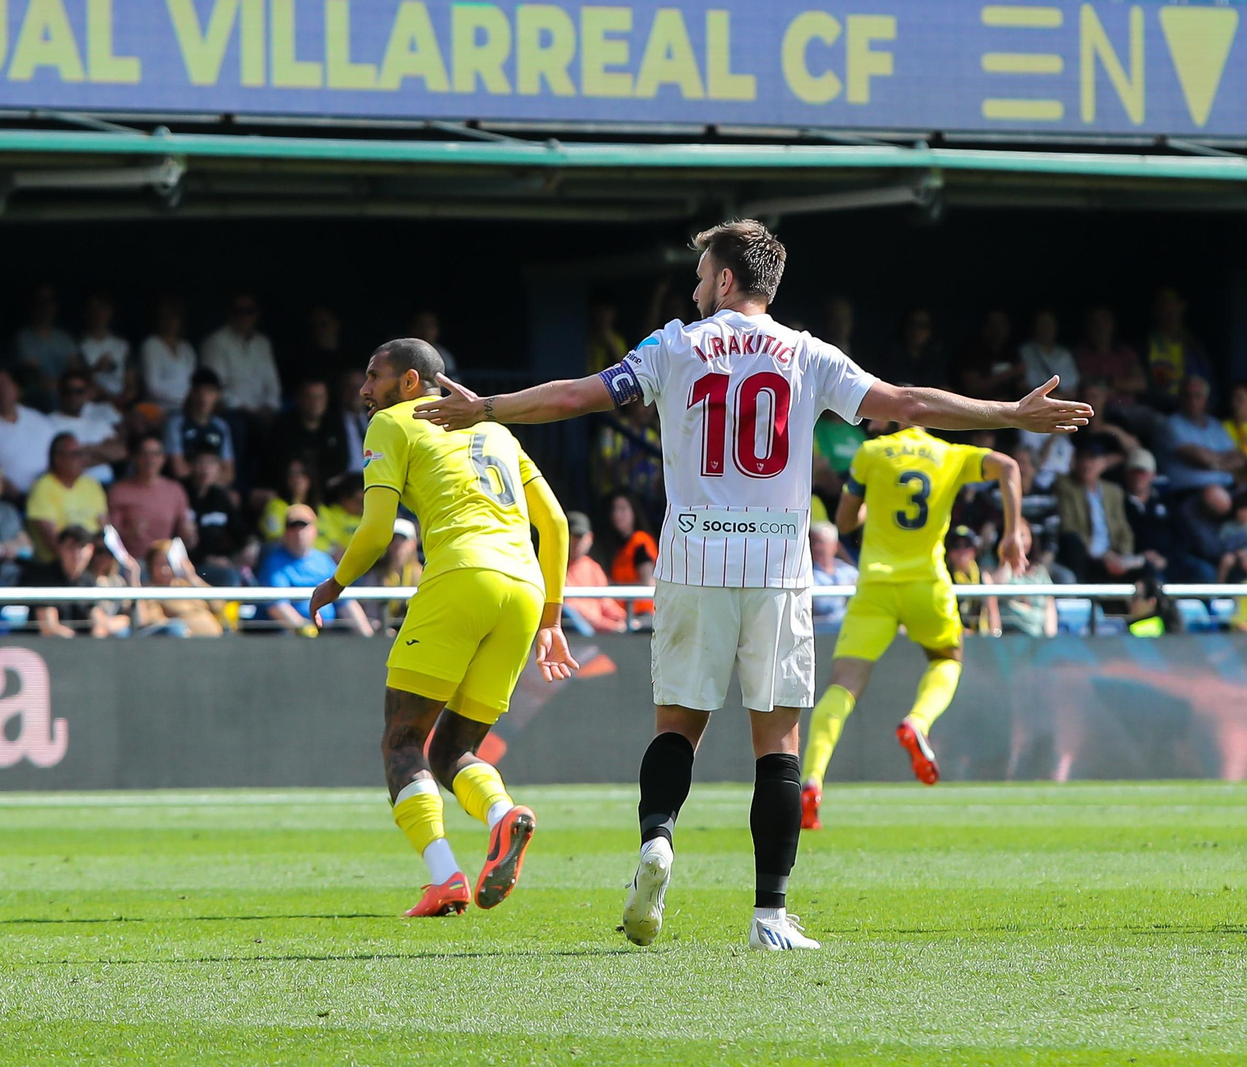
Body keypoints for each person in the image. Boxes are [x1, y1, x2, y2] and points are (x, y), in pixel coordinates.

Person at [411, 217, 1091, 951]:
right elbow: (910, 405)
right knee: (779, 743)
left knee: (678, 727)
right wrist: (1011, 414)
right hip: (776, 566)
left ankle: (658, 843)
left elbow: (580, 394)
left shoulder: (673, 344)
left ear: (727, 278)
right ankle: (770, 914)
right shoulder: (806, 353)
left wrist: (488, 408)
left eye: (703, 274)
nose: (696, 287)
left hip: (693, 559)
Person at [307, 338, 577, 919]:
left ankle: (445, 877)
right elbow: (554, 524)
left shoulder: (392, 424)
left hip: (460, 576)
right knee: (456, 747)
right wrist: (552, 617)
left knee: (403, 740)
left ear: (409, 383)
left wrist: (335, 584)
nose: (363, 389)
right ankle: (504, 816)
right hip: (524, 590)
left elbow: (378, 531)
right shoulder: (499, 432)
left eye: (373, 376)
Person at [802, 419, 1027, 825]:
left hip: (876, 585)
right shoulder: (951, 454)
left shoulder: (871, 454)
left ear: (892, 417)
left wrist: (873, 506)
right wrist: (1011, 534)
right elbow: (1009, 467)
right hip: (927, 583)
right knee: (946, 659)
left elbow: (845, 521)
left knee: (843, 685)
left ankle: (812, 780)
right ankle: (917, 721)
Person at [259, 504, 372, 636]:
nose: (299, 532)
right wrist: (307, 631)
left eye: (304, 526)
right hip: (293, 635)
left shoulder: (325, 560)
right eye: (293, 527)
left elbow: (345, 601)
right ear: (285, 532)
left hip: (330, 632)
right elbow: (277, 607)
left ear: (315, 531)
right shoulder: (274, 563)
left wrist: (368, 635)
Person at [1055, 439, 1137, 583]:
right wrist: (1102, 555)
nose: (1086, 464)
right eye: (1082, 459)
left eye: (1092, 459)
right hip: (1087, 554)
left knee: (1147, 567)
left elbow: (1124, 529)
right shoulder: (1065, 486)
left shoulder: (1113, 491)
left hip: (1113, 555)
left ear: (1103, 463)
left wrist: (1123, 555)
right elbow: (1068, 527)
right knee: (1071, 541)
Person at [28, 524, 128, 638]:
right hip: (48, 650)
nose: (77, 553)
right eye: (71, 547)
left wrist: (94, 640)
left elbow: (98, 620)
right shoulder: (44, 578)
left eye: (81, 547)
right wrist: (80, 644)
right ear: (59, 548)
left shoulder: (89, 581)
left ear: (90, 550)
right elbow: (49, 628)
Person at [108, 435, 195, 561]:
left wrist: (189, 535)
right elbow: (111, 535)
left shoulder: (175, 490)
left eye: (155, 454)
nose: (150, 459)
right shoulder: (120, 491)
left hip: (165, 560)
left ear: (163, 458)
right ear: (136, 458)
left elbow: (187, 533)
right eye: (145, 454)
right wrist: (130, 533)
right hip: (130, 559)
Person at [26, 433, 108, 562]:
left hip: (94, 558)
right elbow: (52, 542)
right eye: (75, 455)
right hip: (59, 565)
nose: (82, 459)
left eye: (82, 454)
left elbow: (106, 529)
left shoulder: (92, 484)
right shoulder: (42, 488)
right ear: (58, 459)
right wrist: (83, 555)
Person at [0, 369, 56, 494]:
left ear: (17, 389)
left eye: (6, 386)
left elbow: (58, 453)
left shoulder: (37, 419)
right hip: (5, 498)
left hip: (46, 493)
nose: (2, 392)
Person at [1161, 375, 1246, 494]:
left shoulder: (1215, 424)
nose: (1192, 401)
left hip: (1226, 488)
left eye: (1198, 396)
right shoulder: (1172, 424)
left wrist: (1214, 465)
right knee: (1215, 495)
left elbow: (1239, 458)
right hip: (1191, 492)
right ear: (1180, 398)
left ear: (1206, 399)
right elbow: (1201, 459)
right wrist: (1223, 460)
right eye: (1187, 396)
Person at [201, 293, 282, 417]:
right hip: (232, 412)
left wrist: (269, 406)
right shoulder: (215, 342)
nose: (243, 317)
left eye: (249, 311)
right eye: (238, 311)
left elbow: (273, 384)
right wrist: (242, 408)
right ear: (229, 314)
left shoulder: (263, 343)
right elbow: (214, 387)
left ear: (257, 314)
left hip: (263, 413)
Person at [184, 446, 247, 586]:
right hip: (186, 564)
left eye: (211, 463)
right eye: (201, 462)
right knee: (229, 577)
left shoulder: (221, 497)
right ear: (191, 466)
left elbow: (239, 531)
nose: (205, 468)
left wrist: (250, 543)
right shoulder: (180, 492)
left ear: (219, 468)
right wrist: (205, 559)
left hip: (216, 562)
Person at [266, 378, 347, 486]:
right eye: (310, 397)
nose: (315, 403)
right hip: (291, 488)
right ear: (298, 399)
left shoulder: (335, 425)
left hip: (329, 489)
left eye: (320, 397)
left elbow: (341, 462)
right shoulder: (283, 427)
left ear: (327, 399)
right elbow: (278, 465)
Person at [49, 369, 125, 484]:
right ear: (60, 393)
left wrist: (87, 449)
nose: (73, 396)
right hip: (72, 486)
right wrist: (102, 450)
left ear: (86, 394)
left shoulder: (98, 421)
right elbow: (60, 463)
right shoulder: (49, 422)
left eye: (79, 391)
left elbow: (121, 452)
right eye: (68, 391)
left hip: (106, 483)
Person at [138, 540, 224, 637]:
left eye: (168, 564)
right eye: (159, 564)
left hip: (216, 640)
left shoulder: (186, 584)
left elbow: (218, 606)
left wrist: (193, 578)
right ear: (150, 566)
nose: (164, 570)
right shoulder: (150, 591)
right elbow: (156, 621)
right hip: (187, 644)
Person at [163, 368, 236, 484]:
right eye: (199, 391)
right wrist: (207, 475)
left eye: (210, 391)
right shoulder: (176, 423)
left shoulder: (221, 426)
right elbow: (179, 471)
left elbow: (229, 474)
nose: (204, 397)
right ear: (192, 393)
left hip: (212, 486)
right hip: (183, 485)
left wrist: (206, 478)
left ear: (217, 395)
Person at [12, 283, 77, 408]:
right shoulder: (24, 337)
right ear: (33, 305)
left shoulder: (65, 338)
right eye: (41, 301)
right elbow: (34, 376)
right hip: (38, 397)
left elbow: (75, 371)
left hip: (66, 393)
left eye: (49, 301)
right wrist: (64, 387)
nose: (45, 306)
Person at [565, 509, 629, 634]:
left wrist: (625, 620)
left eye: (579, 536)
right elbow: (572, 610)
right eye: (571, 536)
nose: (575, 541)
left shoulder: (593, 568)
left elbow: (606, 604)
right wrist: (611, 626)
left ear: (590, 538)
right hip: (577, 637)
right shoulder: (555, 567)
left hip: (602, 636)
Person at [1144, 287, 1208, 406]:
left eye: (1173, 304)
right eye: (1164, 304)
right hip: (1157, 408)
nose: (1169, 309)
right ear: (1156, 310)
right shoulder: (1146, 344)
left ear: (1181, 308)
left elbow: (1205, 385)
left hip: (1189, 408)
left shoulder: (1193, 346)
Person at [1074, 306, 1147, 404]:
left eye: (1104, 322)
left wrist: (1111, 382)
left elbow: (1141, 383)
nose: (1101, 327)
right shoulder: (1080, 355)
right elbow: (1081, 386)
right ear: (1088, 327)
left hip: (1129, 411)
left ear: (1113, 325)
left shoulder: (1126, 353)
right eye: (1096, 323)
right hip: (1095, 411)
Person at [603, 490, 658, 620]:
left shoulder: (640, 542)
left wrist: (613, 588)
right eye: (614, 510)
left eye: (622, 509)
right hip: (624, 616)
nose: (617, 514)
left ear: (634, 512)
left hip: (643, 616)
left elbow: (648, 584)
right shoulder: (620, 546)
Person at [362, 516, 422, 631]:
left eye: (403, 539)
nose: (397, 544)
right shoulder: (375, 574)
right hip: (381, 633)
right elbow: (370, 612)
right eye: (393, 538)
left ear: (413, 543)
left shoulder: (422, 574)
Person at [1121, 449, 1175, 577]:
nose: (1138, 477)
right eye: (1134, 472)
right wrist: (1141, 555)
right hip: (1136, 561)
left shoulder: (1166, 501)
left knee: (1201, 571)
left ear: (1153, 475)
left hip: (1169, 560)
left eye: (1143, 473)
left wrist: (1166, 558)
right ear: (1126, 474)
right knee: (1152, 577)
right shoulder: (1118, 502)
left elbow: (1183, 536)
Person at [140, 295, 198, 411]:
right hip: (159, 409)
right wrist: (183, 398)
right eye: (167, 317)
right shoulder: (151, 346)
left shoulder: (186, 348)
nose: (171, 322)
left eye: (175, 317)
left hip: (187, 408)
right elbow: (153, 387)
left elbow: (193, 381)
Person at [79, 293, 133, 407]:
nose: (98, 314)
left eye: (102, 309)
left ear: (110, 312)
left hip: (121, 404)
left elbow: (131, 384)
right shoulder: (80, 344)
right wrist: (96, 369)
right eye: (93, 310)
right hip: (91, 403)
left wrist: (122, 400)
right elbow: (77, 379)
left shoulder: (123, 345)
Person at [808, 521, 856, 635]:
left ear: (835, 546)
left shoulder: (848, 571)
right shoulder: (806, 574)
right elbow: (822, 606)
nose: (816, 547)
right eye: (813, 542)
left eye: (821, 542)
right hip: (819, 633)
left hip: (848, 632)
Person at [1019, 309, 1078, 397]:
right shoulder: (1026, 351)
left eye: (1049, 324)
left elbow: (1072, 388)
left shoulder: (1064, 354)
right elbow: (1022, 385)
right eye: (1042, 324)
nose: (1046, 328)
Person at [316, 474, 363, 559]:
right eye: (357, 501)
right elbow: (335, 544)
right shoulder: (329, 514)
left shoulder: (366, 518)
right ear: (344, 498)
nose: (361, 506)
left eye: (363, 502)